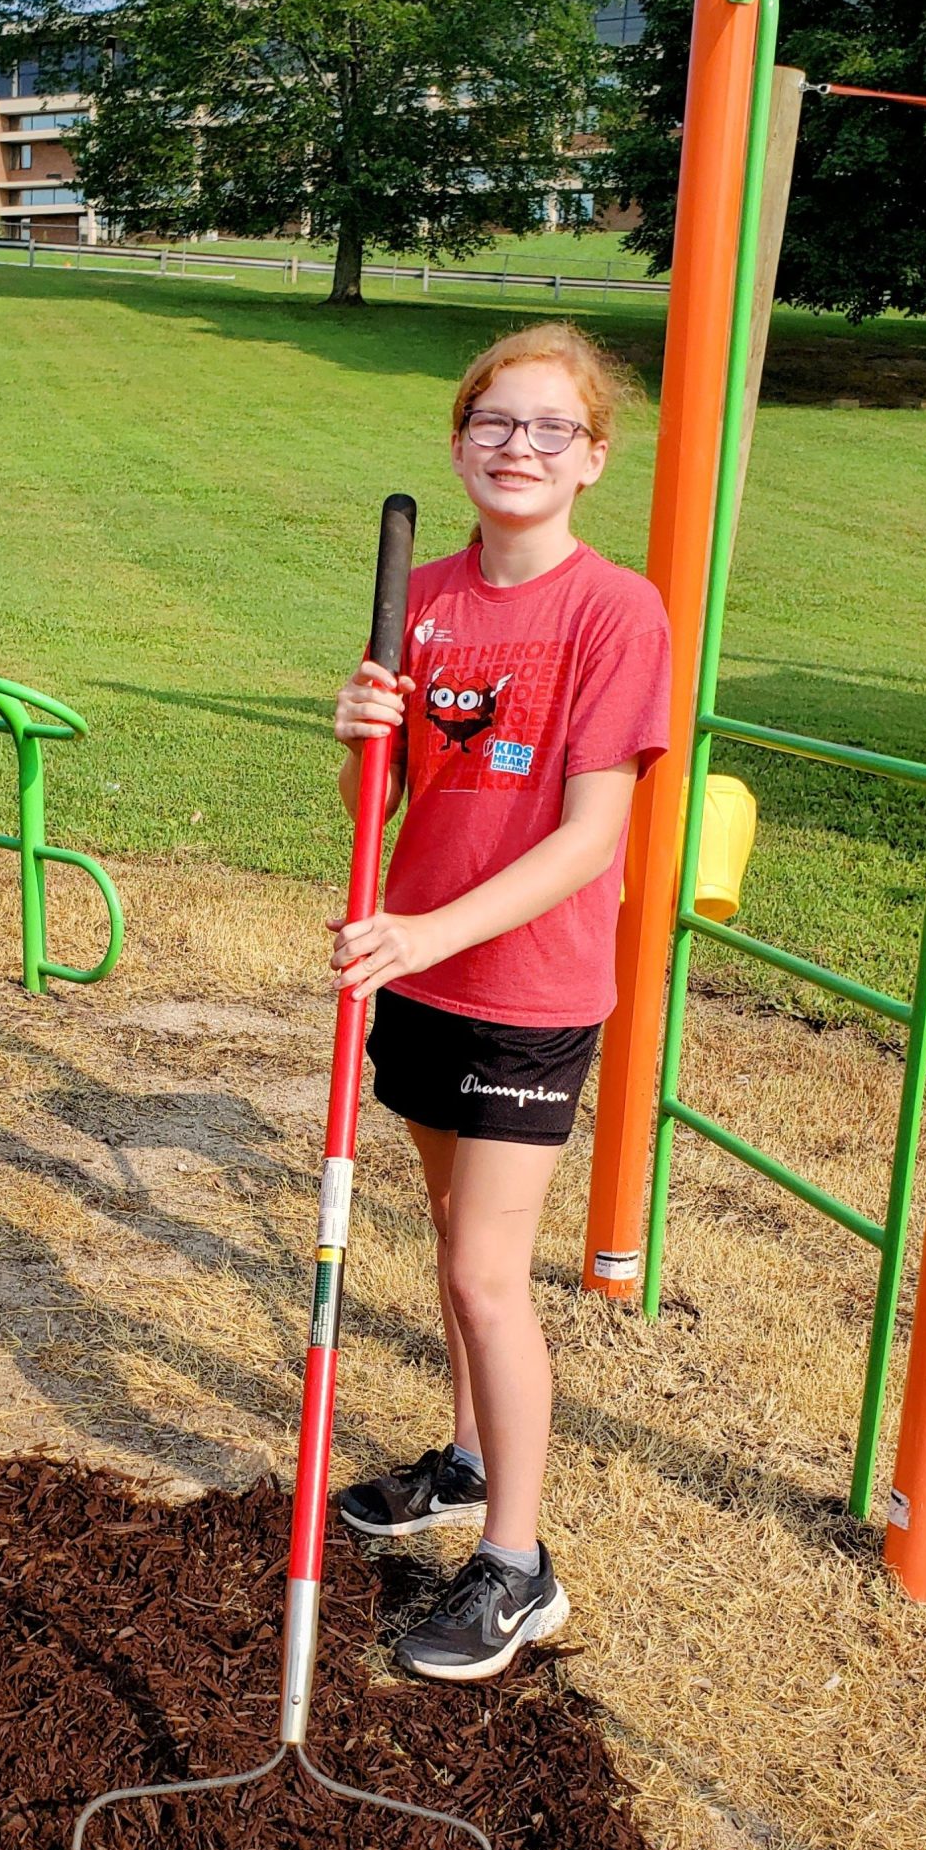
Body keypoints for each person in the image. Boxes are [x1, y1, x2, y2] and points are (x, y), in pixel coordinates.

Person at [329, 322, 670, 1683]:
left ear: (592, 458)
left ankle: (519, 1569)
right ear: (458, 443)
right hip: (419, 968)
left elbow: (593, 834)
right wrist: (355, 732)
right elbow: (385, 807)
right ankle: (466, 1464)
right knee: (446, 1228)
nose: (515, 448)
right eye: (492, 424)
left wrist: (425, 931)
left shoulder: (612, 611)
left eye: (548, 429)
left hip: (524, 985)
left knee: (486, 1270)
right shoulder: (429, 605)